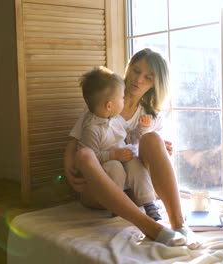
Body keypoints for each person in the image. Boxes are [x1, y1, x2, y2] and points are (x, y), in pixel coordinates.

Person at [64, 48, 200, 248]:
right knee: (85, 155)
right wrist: (69, 170)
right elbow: (76, 142)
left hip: (137, 191)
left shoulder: (151, 114)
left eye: (148, 77)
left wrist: (162, 148)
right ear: (129, 69)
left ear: (155, 83)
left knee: (153, 138)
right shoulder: (104, 101)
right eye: (136, 71)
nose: (138, 80)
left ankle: (179, 225)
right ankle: (151, 228)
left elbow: (153, 156)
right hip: (104, 188)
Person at [78, 66, 162, 221]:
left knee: (137, 165)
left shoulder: (116, 119)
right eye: (121, 98)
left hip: (123, 156)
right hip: (106, 164)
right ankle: (116, 206)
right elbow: (89, 158)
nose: (124, 100)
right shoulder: (92, 128)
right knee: (115, 169)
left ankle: (149, 203)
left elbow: (130, 138)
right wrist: (113, 155)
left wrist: (141, 128)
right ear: (109, 105)